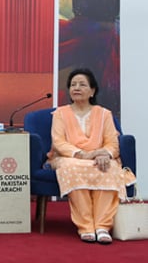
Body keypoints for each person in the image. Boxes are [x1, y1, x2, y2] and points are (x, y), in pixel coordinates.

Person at [46, 68, 135, 244]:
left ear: (92, 90)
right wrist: (84, 154)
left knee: (108, 169)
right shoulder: (60, 114)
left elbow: (112, 143)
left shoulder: (104, 114)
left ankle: (102, 226)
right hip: (69, 157)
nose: (76, 88)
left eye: (82, 84)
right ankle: (86, 226)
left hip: (99, 157)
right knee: (72, 168)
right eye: (73, 85)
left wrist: (105, 154)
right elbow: (59, 142)